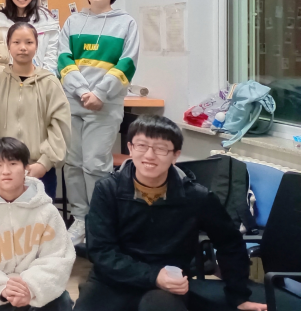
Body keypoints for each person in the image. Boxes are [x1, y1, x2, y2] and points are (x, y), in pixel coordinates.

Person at [75, 116, 266, 311]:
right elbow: (101, 250)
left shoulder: (196, 196)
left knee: (159, 306)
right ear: (130, 148)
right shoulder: (107, 190)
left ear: (175, 155)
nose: (150, 155)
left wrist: (238, 296)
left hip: (167, 283)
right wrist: (152, 275)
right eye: (142, 145)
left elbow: (230, 243)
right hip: (113, 280)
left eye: (161, 148)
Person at [59, 0, 139, 245]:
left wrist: (100, 93)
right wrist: (83, 91)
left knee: (95, 164)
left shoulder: (126, 23)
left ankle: (100, 221)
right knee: (72, 164)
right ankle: (80, 219)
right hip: (73, 102)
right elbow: (63, 59)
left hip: (105, 105)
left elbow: (127, 63)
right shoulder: (73, 21)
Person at [0, 138, 75, 311]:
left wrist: (29, 287)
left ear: (26, 168)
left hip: (33, 289)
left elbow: (58, 257)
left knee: (62, 300)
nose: (6, 171)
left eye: (13, 164)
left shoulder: (46, 211)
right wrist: (2, 288)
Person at [0, 23, 70, 198]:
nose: (23, 47)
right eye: (16, 42)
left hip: (40, 170)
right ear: (8, 45)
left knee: (40, 215)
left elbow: (60, 127)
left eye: (29, 42)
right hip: (4, 171)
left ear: (37, 45)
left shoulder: (50, 83)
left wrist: (44, 163)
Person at [0, 0, 60, 75]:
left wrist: (43, 78)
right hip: (5, 79)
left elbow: (52, 55)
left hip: (40, 79)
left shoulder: (47, 20)